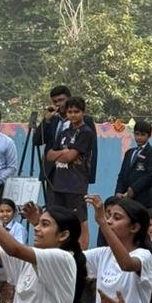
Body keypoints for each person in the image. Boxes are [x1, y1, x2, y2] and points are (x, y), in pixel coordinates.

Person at [34, 85, 99, 208]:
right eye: (55, 101)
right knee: (54, 210)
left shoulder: (84, 121)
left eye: (61, 100)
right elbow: (37, 141)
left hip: (75, 174)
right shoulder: (53, 119)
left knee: (73, 212)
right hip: (53, 172)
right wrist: (46, 120)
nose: (58, 104)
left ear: (69, 99)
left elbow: (92, 149)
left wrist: (89, 175)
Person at [46, 97, 95, 247]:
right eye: (70, 112)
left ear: (83, 112)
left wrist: (63, 154)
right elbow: (49, 155)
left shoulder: (86, 132)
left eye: (76, 111)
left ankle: (82, 253)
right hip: (59, 183)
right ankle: (62, 251)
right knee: (60, 220)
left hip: (76, 184)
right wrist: (64, 152)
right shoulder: (64, 132)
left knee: (80, 221)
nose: (73, 115)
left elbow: (69, 157)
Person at [115, 120, 152, 207]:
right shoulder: (129, 152)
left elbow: (150, 175)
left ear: (149, 136)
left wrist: (133, 189)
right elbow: (122, 174)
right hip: (124, 197)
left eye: (143, 135)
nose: (139, 137)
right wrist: (118, 191)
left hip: (142, 197)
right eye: (137, 134)